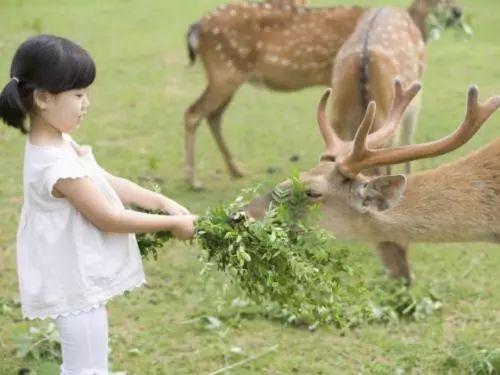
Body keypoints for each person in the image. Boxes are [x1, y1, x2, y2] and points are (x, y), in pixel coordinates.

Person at [0, 34, 196, 375]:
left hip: (76, 278)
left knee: (90, 365)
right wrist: (172, 225)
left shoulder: (60, 143)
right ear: (44, 98)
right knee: (85, 370)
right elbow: (110, 218)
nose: (87, 103)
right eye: (78, 94)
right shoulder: (54, 166)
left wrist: (161, 201)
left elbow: (104, 180)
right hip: (71, 284)